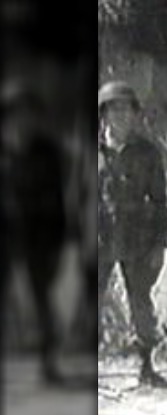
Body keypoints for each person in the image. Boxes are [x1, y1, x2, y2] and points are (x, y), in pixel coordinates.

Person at [97, 81, 167, 385]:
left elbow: (159, 201)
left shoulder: (147, 153)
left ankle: (146, 366)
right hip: (99, 238)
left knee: (140, 301)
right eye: (114, 109)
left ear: (134, 114)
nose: (121, 116)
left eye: (126, 109)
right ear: (104, 115)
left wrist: (159, 244)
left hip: (137, 237)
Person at [1, 79, 68, 383]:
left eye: (27, 112)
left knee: (41, 299)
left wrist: (58, 240)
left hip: (39, 236)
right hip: (6, 234)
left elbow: (57, 198)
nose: (22, 119)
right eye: (16, 113)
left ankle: (47, 362)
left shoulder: (47, 152)